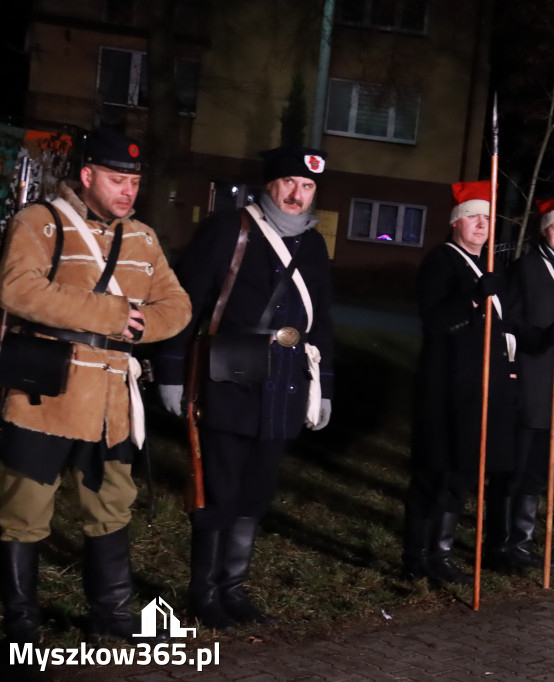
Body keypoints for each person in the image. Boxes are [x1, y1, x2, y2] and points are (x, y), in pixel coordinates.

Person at [0, 127, 191, 643]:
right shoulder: (39, 223)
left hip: (111, 401)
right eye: (116, 179)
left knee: (111, 505)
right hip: (45, 392)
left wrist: (141, 326)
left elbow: (177, 306)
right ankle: (21, 620)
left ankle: (110, 613)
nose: (128, 190)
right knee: (24, 509)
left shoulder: (144, 238)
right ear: (87, 176)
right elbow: (18, 290)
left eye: (134, 180)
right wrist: (113, 313)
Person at [156, 146, 335, 629]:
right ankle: (203, 591)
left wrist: (326, 388)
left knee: (256, 492)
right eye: (290, 183)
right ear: (270, 184)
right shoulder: (229, 228)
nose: (298, 195)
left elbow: (323, 324)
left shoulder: (313, 246)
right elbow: (185, 305)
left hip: (284, 390)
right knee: (219, 490)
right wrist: (171, 372)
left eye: (309, 186)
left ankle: (233, 589)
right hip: (229, 382)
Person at [403, 180, 517, 587]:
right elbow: (435, 321)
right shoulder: (442, 261)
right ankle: (416, 554)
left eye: (488, 219)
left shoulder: (489, 265)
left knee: (462, 471)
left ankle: (442, 552)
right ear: (456, 223)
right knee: (435, 469)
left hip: (481, 387)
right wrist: (471, 298)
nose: (482, 225)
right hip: (446, 386)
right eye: (474, 217)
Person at [492, 198, 554, 572]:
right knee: (517, 466)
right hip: (530, 380)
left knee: (537, 469)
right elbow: (510, 320)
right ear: (544, 230)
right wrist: (539, 337)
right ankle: (502, 544)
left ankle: (522, 540)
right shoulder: (526, 267)